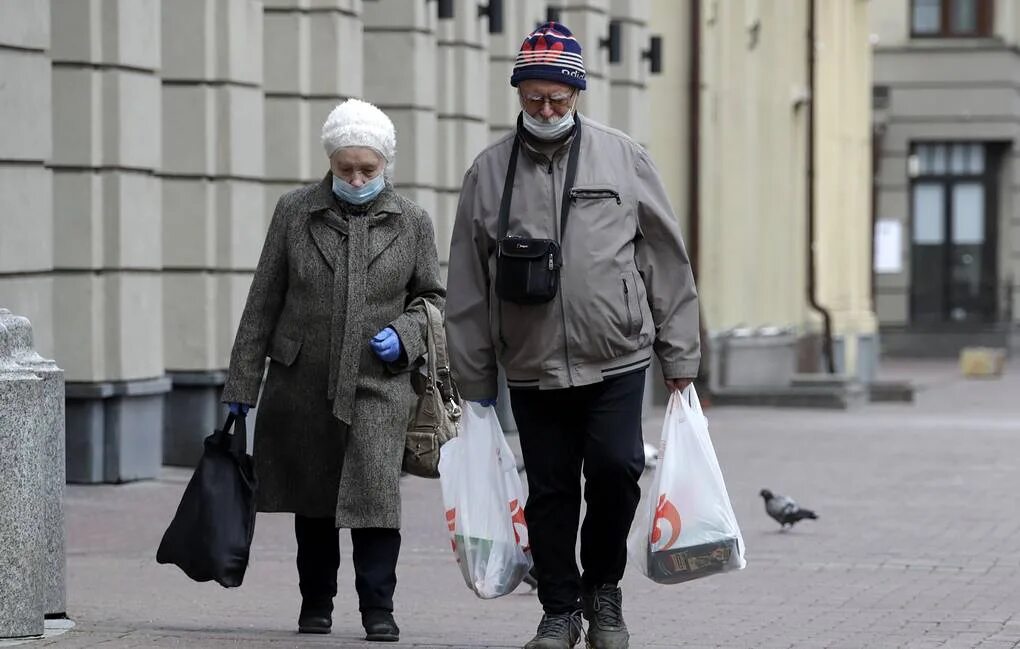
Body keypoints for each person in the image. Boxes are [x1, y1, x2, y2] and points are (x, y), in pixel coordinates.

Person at [445, 22, 701, 649]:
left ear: (578, 94)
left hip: (617, 353)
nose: (547, 110)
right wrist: (473, 376)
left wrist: (681, 351)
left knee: (616, 470)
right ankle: (559, 609)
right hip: (531, 363)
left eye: (559, 99)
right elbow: (468, 282)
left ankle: (603, 592)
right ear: (519, 96)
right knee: (552, 490)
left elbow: (665, 258)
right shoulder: (488, 172)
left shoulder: (623, 157)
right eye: (534, 99)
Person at [221, 98, 445, 643]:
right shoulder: (296, 212)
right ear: (331, 162)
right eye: (345, 167)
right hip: (303, 381)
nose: (356, 177)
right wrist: (241, 385)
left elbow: (432, 299)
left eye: (367, 168)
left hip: (378, 383)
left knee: (376, 501)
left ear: (385, 164)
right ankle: (315, 604)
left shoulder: (412, 221)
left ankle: (378, 610)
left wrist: (408, 335)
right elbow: (263, 301)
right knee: (313, 498)